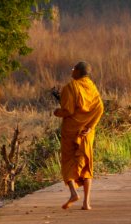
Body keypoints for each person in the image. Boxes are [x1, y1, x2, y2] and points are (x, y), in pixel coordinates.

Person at [55, 61, 104, 210]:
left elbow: (68, 110)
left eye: (73, 69)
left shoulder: (70, 87)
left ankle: (73, 192)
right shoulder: (92, 87)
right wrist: (90, 127)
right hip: (86, 133)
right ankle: (86, 202)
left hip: (71, 130)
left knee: (69, 161)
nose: (72, 71)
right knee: (86, 165)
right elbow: (100, 108)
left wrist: (57, 112)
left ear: (77, 72)